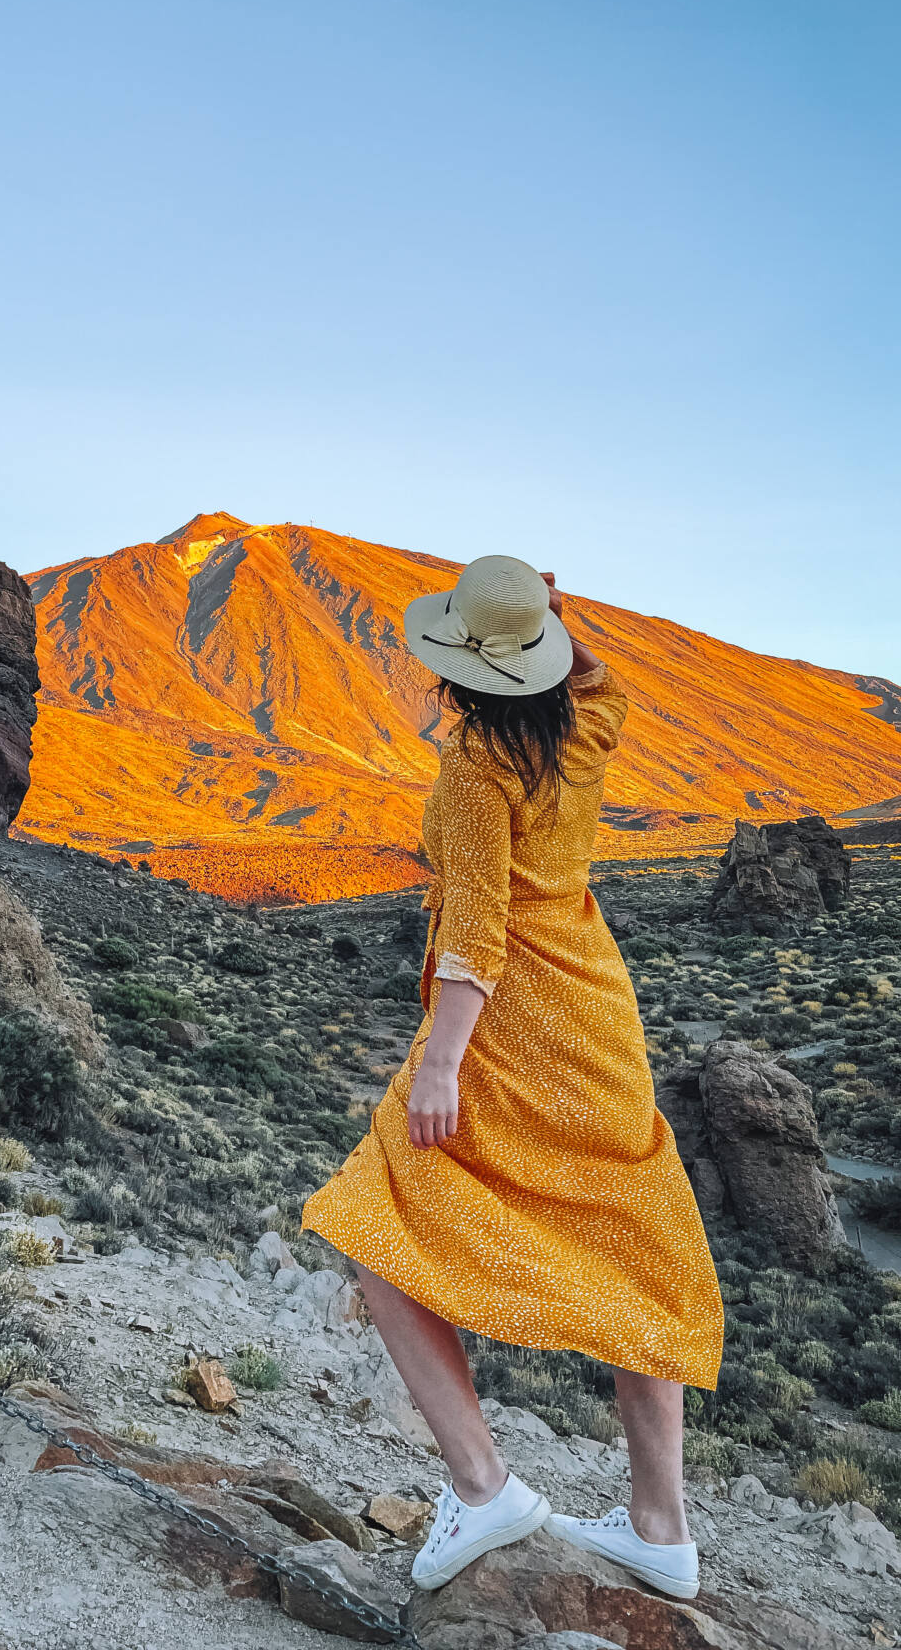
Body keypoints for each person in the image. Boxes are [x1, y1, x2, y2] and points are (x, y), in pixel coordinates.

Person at [301, 554, 723, 1599]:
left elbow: (477, 937)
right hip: (596, 1017)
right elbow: (598, 676)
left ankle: (485, 1489)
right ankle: (660, 1528)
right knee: (636, 1250)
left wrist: (440, 1063)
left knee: (374, 1223)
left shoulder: (481, 768)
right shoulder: (588, 728)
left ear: (456, 671)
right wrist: (550, 619)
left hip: (505, 1034)